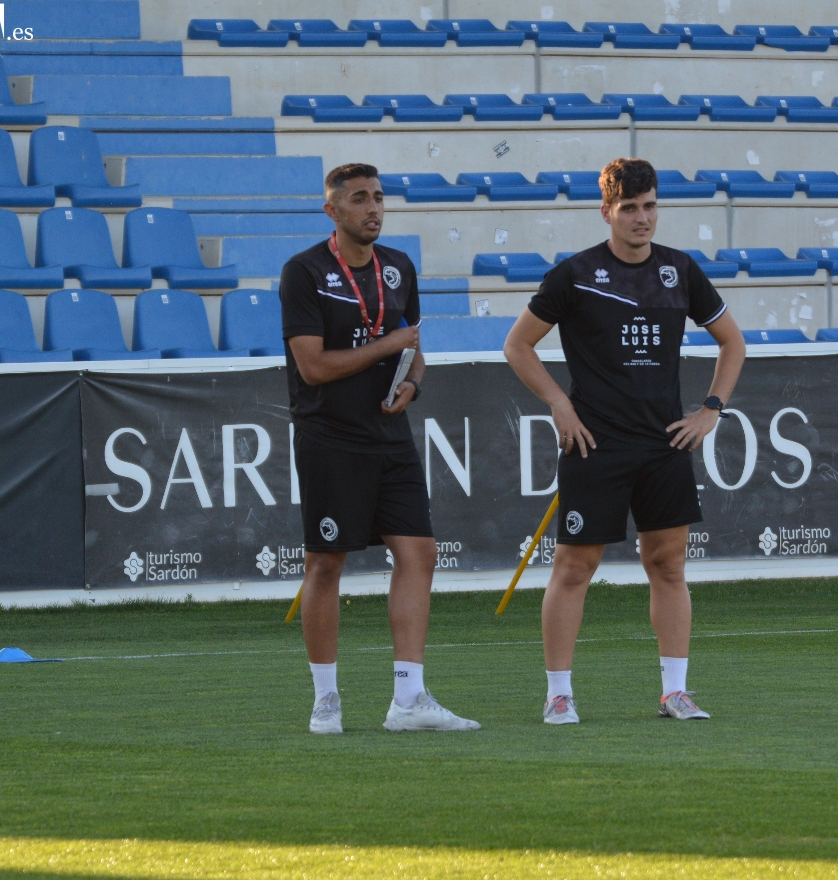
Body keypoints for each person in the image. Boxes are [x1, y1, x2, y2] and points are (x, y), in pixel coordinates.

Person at [501, 157, 746, 726]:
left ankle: (675, 693)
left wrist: (711, 410)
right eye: (629, 208)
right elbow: (517, 345)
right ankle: (558, 695)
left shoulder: (680, 270)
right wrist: (559, 403)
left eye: (650, 206)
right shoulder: (575, 274)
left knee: (668, 566)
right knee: (573, 568)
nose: (642, 218)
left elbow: (732, 342)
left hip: (664, 446)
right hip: (595, 445)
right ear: (606, 211)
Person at [281, 162, 479, 735]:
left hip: (391, 436)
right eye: (360, 199)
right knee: (325, 564)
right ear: (332, 210)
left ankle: (409, 699)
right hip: (329, 436)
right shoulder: (304, 272)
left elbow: (413, 348)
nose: (373, 208)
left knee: (419, 553)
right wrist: (388, 345)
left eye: (378, 198)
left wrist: (413, 381)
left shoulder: (398, 266)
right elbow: (313, 367)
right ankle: (325, 699)